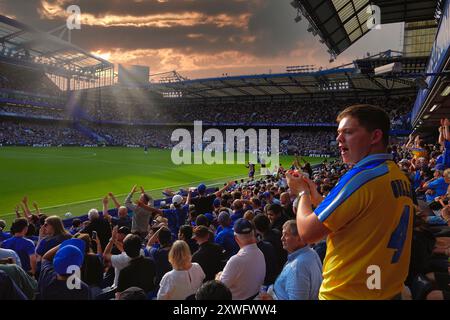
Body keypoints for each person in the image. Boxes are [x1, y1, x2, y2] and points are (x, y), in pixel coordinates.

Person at [286, 104, 414, 300]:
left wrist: (301, 193)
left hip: (348, 293)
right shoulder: (396, 174)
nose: (338, 139)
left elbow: (308, 233)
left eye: (348, 132)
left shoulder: (362, 177)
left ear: (375, 136)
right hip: (384, 289)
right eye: (339, 133)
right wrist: (317, 198)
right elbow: (358, 219)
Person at [261, 220, 322, 300]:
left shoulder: (298, 266)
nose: (282, 238)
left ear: (300, 238)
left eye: (286, 235)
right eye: (282, 234)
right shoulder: (311, 253)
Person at [218, 218, 265, 300]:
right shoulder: (260, 253)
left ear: (236, 238)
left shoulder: (235, 260)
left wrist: (218, 276)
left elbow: (219, 287)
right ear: (253, 234)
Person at [116, 234, 156, 299]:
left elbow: (119, 294)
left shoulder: (124, 271)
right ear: (140, 247)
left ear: (126, 251)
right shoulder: (151, 262)